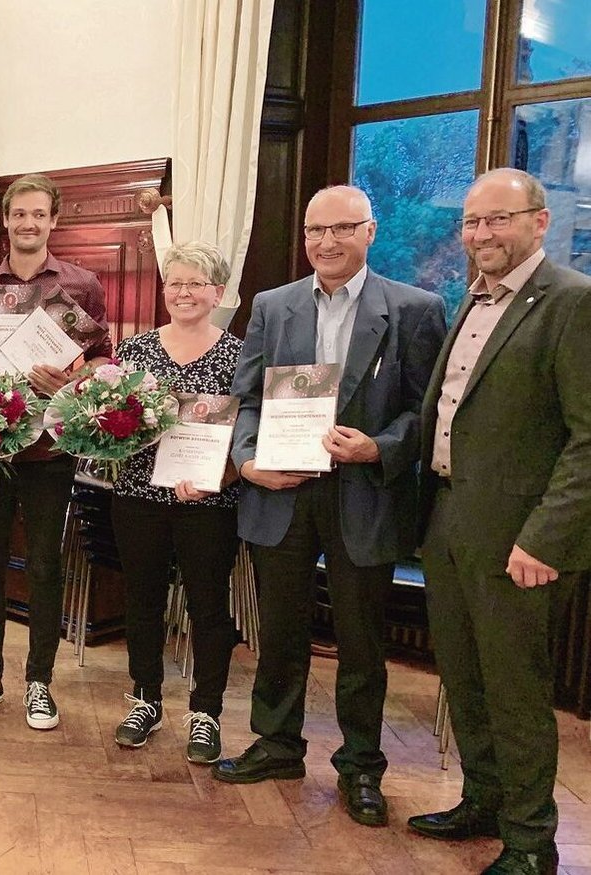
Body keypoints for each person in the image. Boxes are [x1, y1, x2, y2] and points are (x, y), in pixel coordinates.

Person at [216, 185, 446, 828]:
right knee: (280, 630)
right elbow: (249, 397)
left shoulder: (415, 308)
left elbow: (427, 410)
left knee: (361, 640)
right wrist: (250, 458)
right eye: (317, 230)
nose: (328, 241)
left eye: (343, 228)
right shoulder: (273, 305)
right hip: (283, 493)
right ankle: (279, 744)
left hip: (363, 494)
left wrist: (380, 447)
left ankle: (362, 767)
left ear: (370, 231)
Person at [408, 168, 591, 875]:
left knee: (516, 693)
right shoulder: (474, 300)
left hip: (522, 541)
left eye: (498, 220)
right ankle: (481, 799)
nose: (482, 233)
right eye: (472, 222)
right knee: (464, 676)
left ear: (540, 222)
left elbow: (587, 436)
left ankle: (530, 841)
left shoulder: (572, 302)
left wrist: (545, 536)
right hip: (451, 522)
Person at [0, 173, 112, 731]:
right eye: (19, 213)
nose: (28, 223)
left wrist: (67, 382)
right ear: (7, 220)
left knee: (44, 566)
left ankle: (40, 682)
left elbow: (102, 359)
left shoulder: (81, 286)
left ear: (53, 221)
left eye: (38, 214)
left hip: (50, 449)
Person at [109, 241, 242, 764]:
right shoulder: (135, 351)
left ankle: (205, 712)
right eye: (175, 282)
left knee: (208, 606)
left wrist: (221, 477)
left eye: (195, 283)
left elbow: (247, 431)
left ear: (218, 292)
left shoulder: (238, 353)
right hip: (139, 495)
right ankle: (145, 699)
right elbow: (112, 419)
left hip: (209, 502)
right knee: (142, 601)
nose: (183, 292)